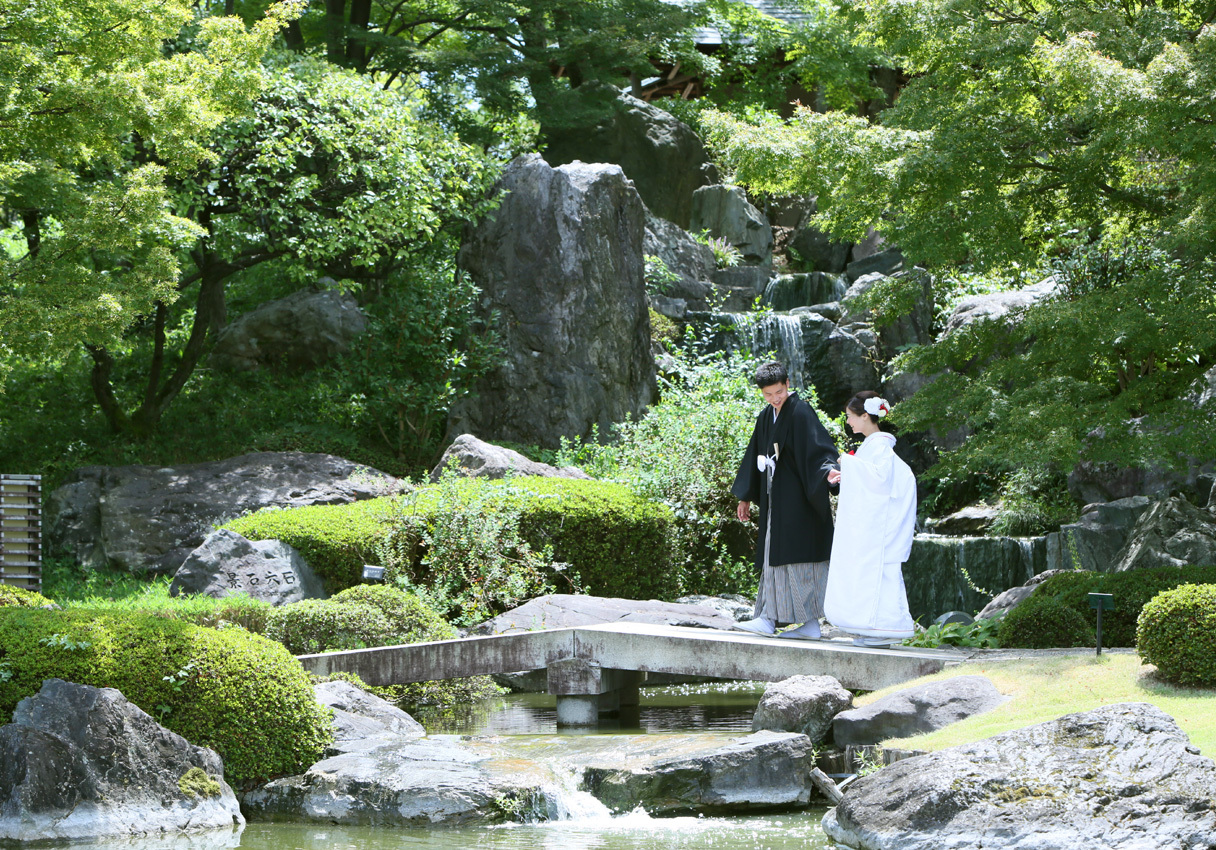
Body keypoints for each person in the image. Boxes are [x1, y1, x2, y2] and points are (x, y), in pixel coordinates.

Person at [731, 361, 839, 639]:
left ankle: (810, 623)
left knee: (800, 560)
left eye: (779, 392)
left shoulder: (801, 412)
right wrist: (745, 496)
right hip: (774, 500)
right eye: (768, 394)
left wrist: (828, 474)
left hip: (800, 502)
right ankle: (768, 619)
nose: (775, 399)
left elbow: (819, 449)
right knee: (772, 556)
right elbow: (754, 453)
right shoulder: (766, 416)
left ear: (788, 384)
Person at [824, 391, 917, 646]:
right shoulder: (874, 447)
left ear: (866, 416)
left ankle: (885, 628)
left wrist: (849, 464)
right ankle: (875, 628)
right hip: (876, 527)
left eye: (850, 417)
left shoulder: (880, 449)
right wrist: (848, 475)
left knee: (881, 576)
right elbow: (872, 479)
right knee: (876, 577)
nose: (849, 422)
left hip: (881, 529)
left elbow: (878, 480)